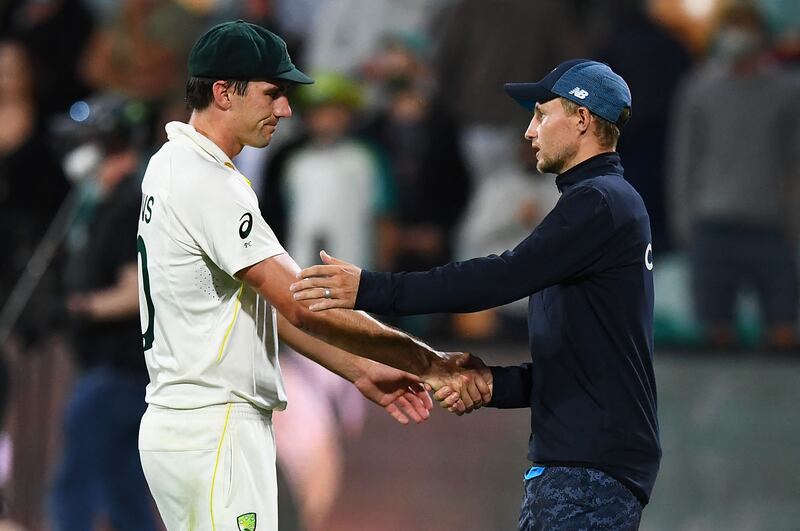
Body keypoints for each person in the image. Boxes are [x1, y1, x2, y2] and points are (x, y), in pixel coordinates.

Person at [135, 20, 490, 531]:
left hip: (183, 425)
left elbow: (268, 311)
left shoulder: (170, 162)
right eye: (273, 93)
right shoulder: (208, 181)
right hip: (216, 429)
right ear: (222, 92)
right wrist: (428, 363)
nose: (285, 109)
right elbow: (301, 302)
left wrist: (361, 368)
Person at [291, 59, 661, 530]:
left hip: (587, 466)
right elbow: (589, 364)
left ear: (582, 120)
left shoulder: (600, 202)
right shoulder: (601, 204)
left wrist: (371, 288)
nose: (530, 132)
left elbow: (498, 279)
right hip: (584, 460)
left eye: (541, 115)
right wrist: (494, 385)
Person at [50, 95, 157, 531]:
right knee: (123, 486)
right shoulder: (106, 202)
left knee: (76, 482)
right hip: (122, 371)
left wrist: (78, 307)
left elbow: (136, 292)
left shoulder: (129, 203)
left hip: (117, 369)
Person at [668, 4, 800, 350]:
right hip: (713, 225)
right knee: (716, 336)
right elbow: (683, 161)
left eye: (747, 28)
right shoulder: (698, 88)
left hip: (771, 225)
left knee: (784, 332)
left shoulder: (787, 91)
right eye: (733, 28)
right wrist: (685, 223)